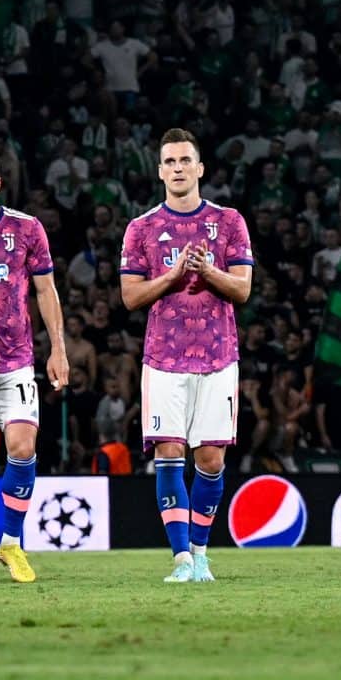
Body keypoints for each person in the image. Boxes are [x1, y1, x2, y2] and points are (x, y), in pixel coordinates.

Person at [120, 131, 253, 584]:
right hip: (163, 360)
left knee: (211, 459)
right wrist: (173, 276)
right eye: (169, 161)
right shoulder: (140, 228)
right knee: (169, 452)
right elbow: (130, 297)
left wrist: (207, 271)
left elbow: (243, 289)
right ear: (159, 171)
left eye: (185, 160)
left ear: (200, 169)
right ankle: (180, 560)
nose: (177, 168)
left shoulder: (229, 221)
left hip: (218, 356)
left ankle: (199, 553)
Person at [0, 163, 68, 584]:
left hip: (13, 363)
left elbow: (45, 290)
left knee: (21, 448)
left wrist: (58, 349)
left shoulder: (26, 229)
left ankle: (10, 542)